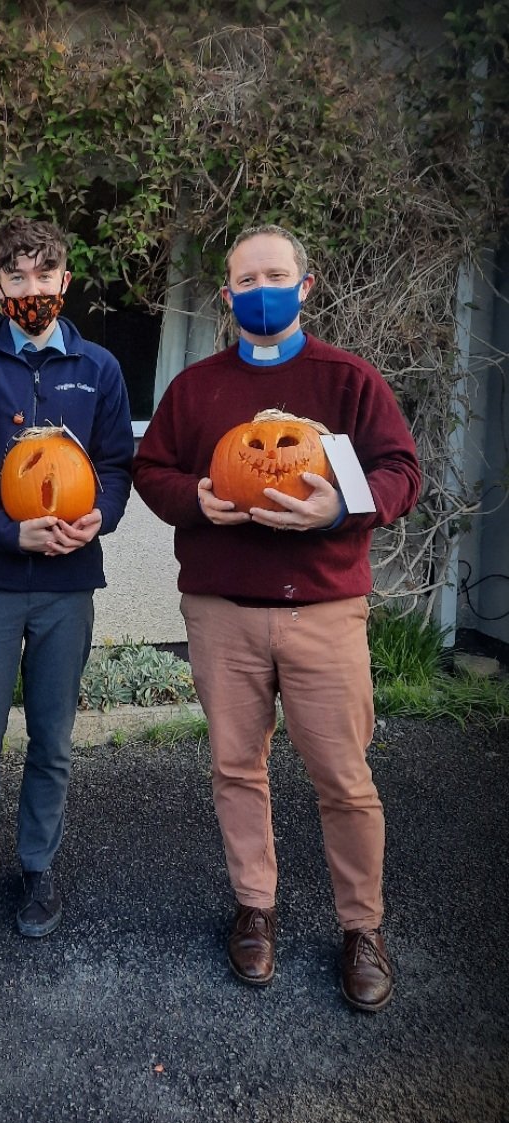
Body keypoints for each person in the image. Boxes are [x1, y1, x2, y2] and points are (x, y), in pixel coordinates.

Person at [133, 223, 421, 1011]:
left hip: (325, 611)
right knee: (235, 767)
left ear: (305, 285)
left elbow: (402, 471)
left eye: (275, 275)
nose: (261, 290)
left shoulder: (349, 381)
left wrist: (341, 507)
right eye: (245, 280)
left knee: (344, 777)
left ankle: (362, 928)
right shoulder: (197, 388)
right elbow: (151, 468)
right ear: (227, 298)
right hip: (223, 609)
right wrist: (190, 497)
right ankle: (254, 907)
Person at [0, 217, 133, 937]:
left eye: (44, 277)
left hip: (66, 583)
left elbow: (115, 466)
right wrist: (6, 529)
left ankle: (39, 869)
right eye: (16, 277)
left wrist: (100, 518)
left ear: (64, 282)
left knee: (51, 737)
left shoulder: (100, 369)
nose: (31, 290)